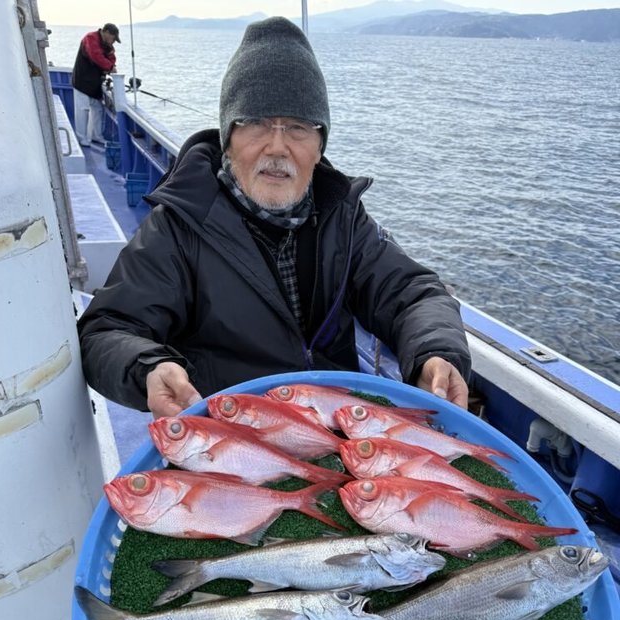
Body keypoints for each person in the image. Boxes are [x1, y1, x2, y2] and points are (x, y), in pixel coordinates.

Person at [78, 17, 471, 418]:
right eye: (257, 124)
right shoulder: (179, 225)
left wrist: (434, 353)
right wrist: (148, 368)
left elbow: (411, 292)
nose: (278, 146)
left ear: (319, 146)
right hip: (231, 436)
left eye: (298, 128)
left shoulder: (342, 215)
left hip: (338, 431)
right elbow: (107, 329)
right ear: (228, 138)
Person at [71, 23, 119, 147]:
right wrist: (109, 67)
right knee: (83, 110)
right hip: (82, 80)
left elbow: (112, 59)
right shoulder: (90, 38)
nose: (113, 42)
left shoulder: (107, 45)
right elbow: (96, 56)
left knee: (97, 109)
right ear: (107, 32)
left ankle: (96, 136)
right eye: (113, 38)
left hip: (95, 82)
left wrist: (110, 64)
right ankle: (81, 137)